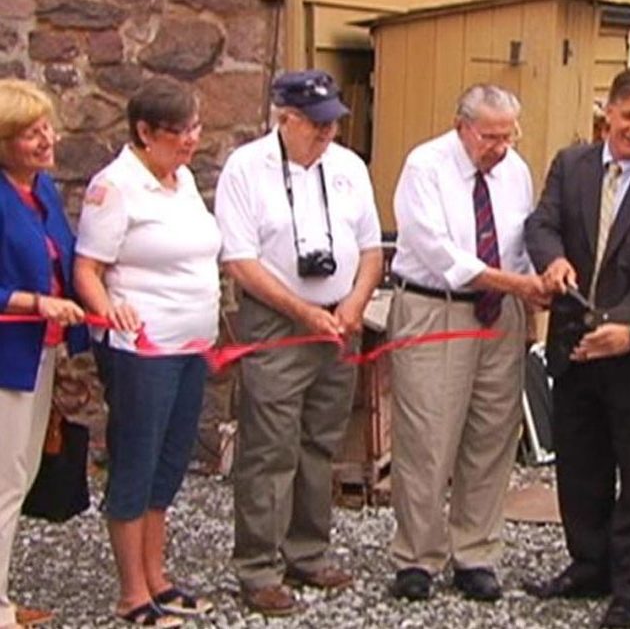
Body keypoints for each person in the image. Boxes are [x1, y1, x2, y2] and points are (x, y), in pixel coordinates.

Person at [524, 65, 630, 628]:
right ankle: (588, 563)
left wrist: (621, 329)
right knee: (580, 464)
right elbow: (541, 224)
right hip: (573, 346)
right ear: (608, 113)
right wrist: (551, 260)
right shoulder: (570, 165)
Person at [214, 69, 383, 616]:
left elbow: (372, 250)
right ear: (283, 119)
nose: (327, 133)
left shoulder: (350, 167)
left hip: (340, 321)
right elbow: (240, 261)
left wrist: (354, 303)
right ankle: (258, 566)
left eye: (332, 122)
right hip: (278, 321)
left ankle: (307, 550)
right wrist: (303, 312)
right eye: (315, 124)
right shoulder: (246, 169)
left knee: (321, 440)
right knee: (269, 447)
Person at [386, 84, 547, 602]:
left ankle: (476, 552)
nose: (501, 146)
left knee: (492, 435)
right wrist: (515, 285)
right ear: (463, 126)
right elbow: (440, 252)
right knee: (428, 438)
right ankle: (417, 556)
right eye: (491, 136)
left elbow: (518, 247)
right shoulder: (425, 167)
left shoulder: (515, 171)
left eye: (509, 134)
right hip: (436, 309)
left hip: (500, 314)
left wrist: (527, 300)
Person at [73, 76, 219, 628]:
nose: (191, 141)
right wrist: (109, 307)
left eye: (195, 128)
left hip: (191, 345)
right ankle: (131, 592)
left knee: (170, 461)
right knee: (136, 460)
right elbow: (87, 266)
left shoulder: (179, 181)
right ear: (145, 131)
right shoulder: (115, 186)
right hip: (142, 349)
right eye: (179, 132)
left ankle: (157, 576)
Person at [0, 78, 88, 629]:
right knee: (4, 479)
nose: (46, 140)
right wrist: (35, 301)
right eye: (31, 133)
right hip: (7, 354)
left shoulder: (44, 190)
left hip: (39, 353)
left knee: (20, 474)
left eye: (46, 128)